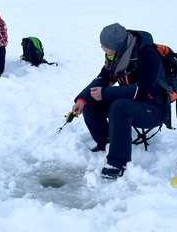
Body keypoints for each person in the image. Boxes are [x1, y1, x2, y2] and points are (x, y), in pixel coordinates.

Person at [71, 23, 169, 179]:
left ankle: (118, 163)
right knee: (92, 102)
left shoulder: (148, 55)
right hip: (133, 102)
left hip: (154, 108)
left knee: (119, 106)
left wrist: (106, 93)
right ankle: (107, 142)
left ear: (116, 45)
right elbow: (103, 78)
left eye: (105, 45)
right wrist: (82, 99)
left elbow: (142, 91)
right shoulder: (117, 56)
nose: (101, 47)